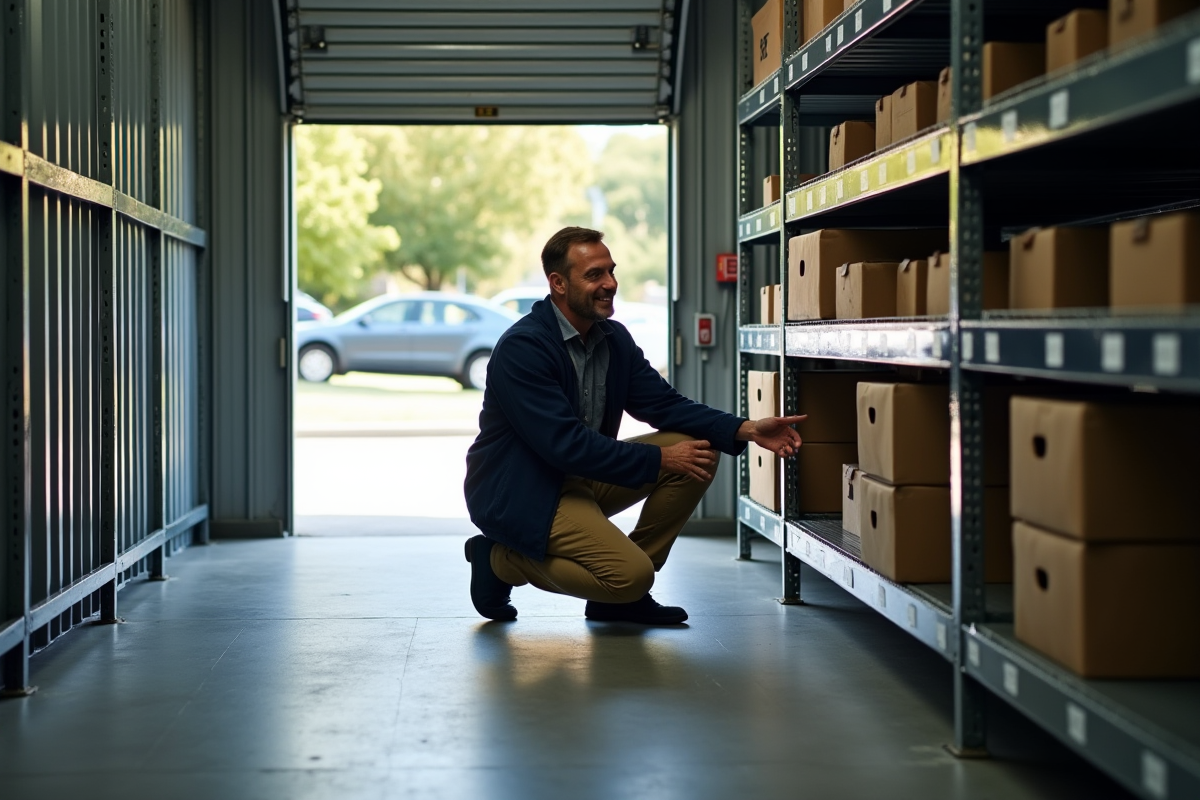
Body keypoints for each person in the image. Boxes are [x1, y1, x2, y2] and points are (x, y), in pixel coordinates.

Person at [463, 227, 805, 624]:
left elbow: (663, 405)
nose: (610, 283)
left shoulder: (613, 339)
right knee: (632, 574)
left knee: (697, 450)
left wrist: (745, 429)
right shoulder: (524, 348)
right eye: (594, 275)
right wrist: (659, 459)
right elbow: (564, 445)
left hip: (579, 477)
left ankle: (620, 599)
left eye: (610, 271)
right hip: (523, 489)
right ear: (558, 283)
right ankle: (499, 559)